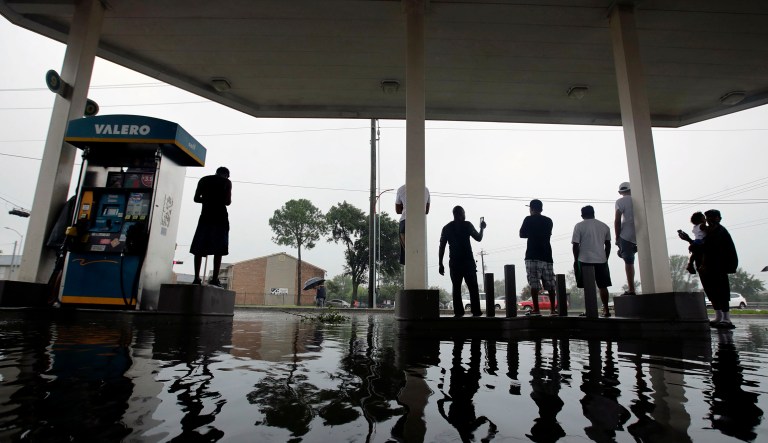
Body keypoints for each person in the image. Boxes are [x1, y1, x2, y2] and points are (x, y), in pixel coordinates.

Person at [438, 205, 486, 317]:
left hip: (454, 262)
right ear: (460, 214)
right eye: (464, 213)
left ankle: (458, 313)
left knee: (456, 287)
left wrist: (440, 263)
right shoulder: (467, 225)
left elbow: (442, 247)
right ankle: (476, 311)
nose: (465, 215)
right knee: (473, 287)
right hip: (468, 261)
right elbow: (478, 238)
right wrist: (482, 228)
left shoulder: (446, 228)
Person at [190, 166, 232, 287]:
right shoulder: (226, 182)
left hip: (205, 217)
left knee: (199, 247)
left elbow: (196, 198)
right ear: (226, 175)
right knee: (219, 249)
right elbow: (228, 202)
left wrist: (208, 199)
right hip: (220, 218)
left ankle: (196, 278)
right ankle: (214, 279)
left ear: (216, 172)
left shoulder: (204, 180)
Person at [697, 209, 738, 329]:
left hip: (719, 266)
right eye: (707, 217)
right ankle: (718, 316)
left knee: (722, 291)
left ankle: (726, 318)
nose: (708, 219)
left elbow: (711, 248)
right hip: (709, 267)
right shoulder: (709, 232)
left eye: (711, 217)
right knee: (712, 291)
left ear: (718, 218)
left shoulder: (720, 231)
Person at [519, 199, 558, 316]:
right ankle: (553, 310)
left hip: (532, 255)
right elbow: (548, 234)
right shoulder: (548, 221)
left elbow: (521, 234)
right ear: (541, 209)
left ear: (531, 208)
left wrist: (531, 233)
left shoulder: (528, 219)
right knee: (550, 284)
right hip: (547, 255)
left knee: (534, 283)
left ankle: (536, 310)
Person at [572, 205, 612, 317]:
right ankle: (606, 310)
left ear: (582, 215)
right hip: (601, 260)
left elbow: (575, 245)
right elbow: (608, 245)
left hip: (584, 260)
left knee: (587, 286)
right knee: (603, 286)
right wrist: (606, 258)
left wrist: (576, 259)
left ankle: (589, 310)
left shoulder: (579, 226)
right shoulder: (604, 226)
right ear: (594, 213)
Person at [395, 184, 430, 265]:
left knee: (407, 256)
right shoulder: (425, 189)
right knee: (417, 254)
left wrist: (405, 207)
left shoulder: (401, 189)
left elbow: (397, 210)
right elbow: (426, 211)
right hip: (419, 224)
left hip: (405, 222)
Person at [614, 182, 637, 295]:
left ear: (620, 192)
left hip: (626, 234)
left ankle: (631, 288)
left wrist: (617, 237)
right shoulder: (638, 199)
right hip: (641, 232)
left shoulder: (620, 201)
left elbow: (617, 220)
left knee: (629, 261)